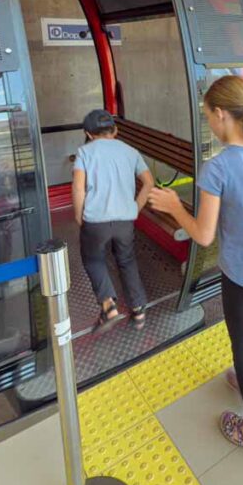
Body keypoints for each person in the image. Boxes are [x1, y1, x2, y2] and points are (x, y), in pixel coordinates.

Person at [148, 76, 243, 457]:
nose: (208, 123)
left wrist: (173, 206)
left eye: (207, 117)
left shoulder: (218, 169)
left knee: (242, 344)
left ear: (219, 115)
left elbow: (202, 234)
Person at [72, 109, 154, 331]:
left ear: (89, 134)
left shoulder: (84, 152)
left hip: (96, 222)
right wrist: (135, 207)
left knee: (93, 259)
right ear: (115, 130)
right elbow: (148, 182)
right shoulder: (131, 151)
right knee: (126, 260)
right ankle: (138, 311)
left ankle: (108, 304)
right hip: (125, 221)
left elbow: (78, 188)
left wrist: (79, 215)